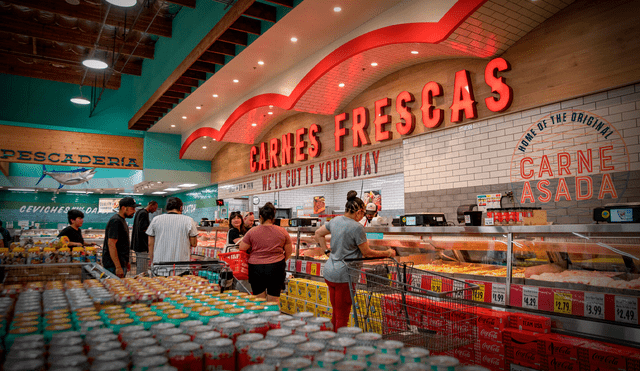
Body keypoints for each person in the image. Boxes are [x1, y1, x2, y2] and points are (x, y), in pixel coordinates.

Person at [315, 190, 396, 330]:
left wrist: (326, 251)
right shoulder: (357, 227)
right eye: (363, 213)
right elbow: (367, 253)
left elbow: (318, 233)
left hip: (330, 272)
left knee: (336, 312)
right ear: (358, 212)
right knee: (343, 315)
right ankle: (339, 347)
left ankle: (331, 339)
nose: (363, 216)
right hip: (344, 276)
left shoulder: (335, 221)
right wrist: (387, 253)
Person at [239, 202, 292, 302]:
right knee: (274, 299)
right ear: (273, 217)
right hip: (276, 267)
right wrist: (279, 260)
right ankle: (274, 317)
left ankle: (260, 317)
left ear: (260, 217)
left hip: (256, 268)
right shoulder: (282, 231)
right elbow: (289, 252)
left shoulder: (252, 231)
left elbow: (242, 248)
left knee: (259, 299)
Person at [146, 197, 198, 266]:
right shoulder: (189, 220)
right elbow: (194, 244)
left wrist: (152, 260)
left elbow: (150, 243)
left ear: (167, 208)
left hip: (159, 264)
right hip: (181, 265)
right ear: (181, 208)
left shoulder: (156, 220)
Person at [102, 197, 139, 278]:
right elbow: (111, 244)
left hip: (120, 263)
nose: (134, 211)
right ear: (123, 208)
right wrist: (118, 267)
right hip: (113, 266)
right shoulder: (116, 221)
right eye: (132, 208)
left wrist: (126, 262)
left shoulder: (122, 220)